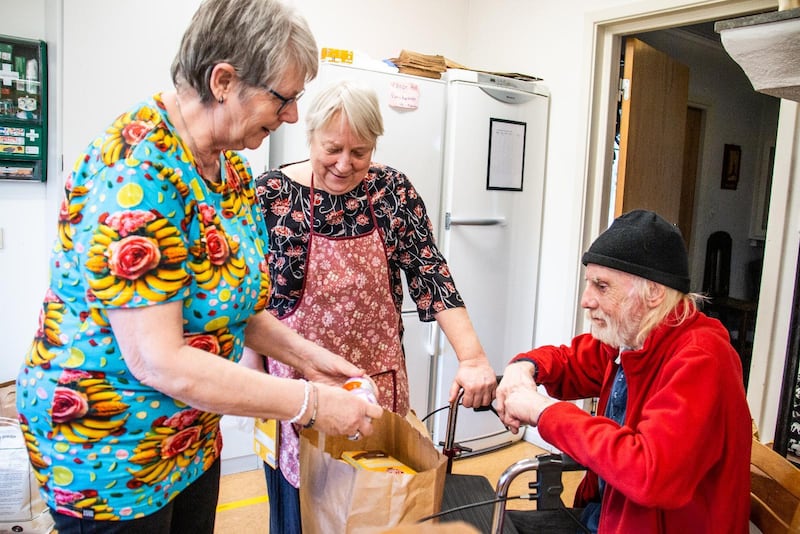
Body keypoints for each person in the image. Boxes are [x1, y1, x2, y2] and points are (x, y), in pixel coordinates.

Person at [14, 2, 382, 533]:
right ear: (224, 81)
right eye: (285, 98)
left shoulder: (229, 166)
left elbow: (235, 310)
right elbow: (159, 360)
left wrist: (311, 359)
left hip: (188, 437)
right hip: (109, 451)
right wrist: (310, 404)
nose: (293, 116)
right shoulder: (135, 171)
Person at [254, 79, 498, 533]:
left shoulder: (391, 192)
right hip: (298, 389)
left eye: (360, 152)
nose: (345, 165)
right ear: (309, 136)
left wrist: (473, 357)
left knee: (376, 511)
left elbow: (431, 271)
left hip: (376, 387)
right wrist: (256, 389)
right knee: (299, 513)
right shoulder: (269, 196)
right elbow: (250, 305)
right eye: (332, 149)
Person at [496, 209, 752, 533]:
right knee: (489, 524)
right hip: (607, 516)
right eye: (588, 284)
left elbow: (649, 472)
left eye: (602, 287)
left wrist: (543, 411)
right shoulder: (633, 338)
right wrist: (525, 367)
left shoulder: (703, 359)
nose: (586, 300)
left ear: (654, 293)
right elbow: (572, 361)